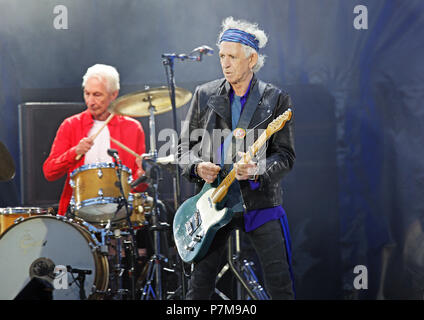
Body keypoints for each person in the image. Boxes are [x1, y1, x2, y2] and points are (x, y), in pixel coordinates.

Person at [177, 17, 296, 299]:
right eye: (221, 56)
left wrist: (258, 170)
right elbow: (182, 150)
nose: (225, 63)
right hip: (214, 199)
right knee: (199, 289)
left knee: (280, 286)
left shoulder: (275, 99)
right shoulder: (204, 94)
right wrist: (196, 166)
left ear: (251, 59)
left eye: (232, 56)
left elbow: (286, 155)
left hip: (260, 202)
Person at [43, 64, 147, 217]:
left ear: (113, 94)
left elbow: (138, 187)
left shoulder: (132, 128)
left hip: (120, 215)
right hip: (78, 214)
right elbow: (49, 172)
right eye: (87, 94)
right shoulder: (70, 125)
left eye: (97, 95)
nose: (90, 101)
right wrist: (74, 152)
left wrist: (143, 175)